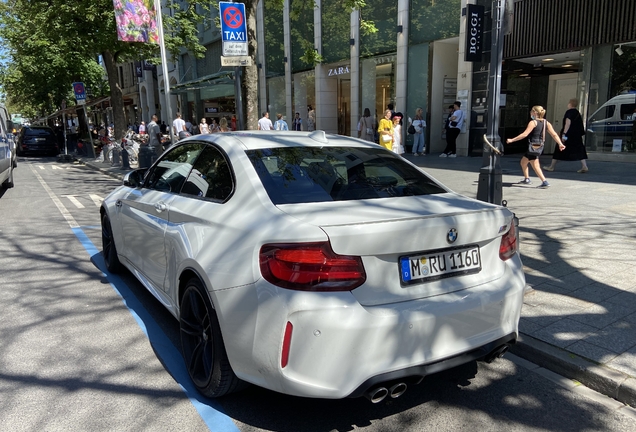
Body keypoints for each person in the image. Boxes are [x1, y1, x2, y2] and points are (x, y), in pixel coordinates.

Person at [506, 105, 565, 188]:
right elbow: (554, 134)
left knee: (535, 165)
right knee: (523, 162)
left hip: (533, 146)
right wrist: (560, 143)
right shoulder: (546, 123)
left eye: (531, 111)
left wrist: (512, 140)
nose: (530, 112)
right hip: (539, 145)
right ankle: (527, 179)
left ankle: (544, 182)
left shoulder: (533, 122)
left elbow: (525, 134)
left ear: (535, 112)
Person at [543, 98, 589, 173]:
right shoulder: (577, 113)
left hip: (568, 135)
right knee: (579, 149)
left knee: (559, 147)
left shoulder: (569, 112)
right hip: (576, 136)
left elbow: (568, 123)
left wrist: (564, 134)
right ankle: (584, 166)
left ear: (570, 104)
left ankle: (551, 166)